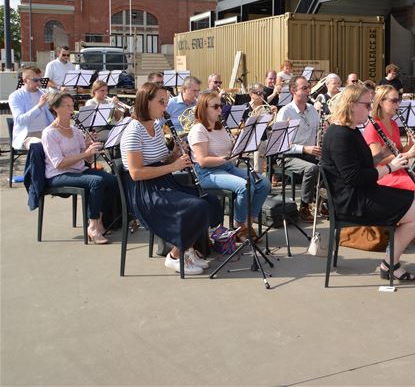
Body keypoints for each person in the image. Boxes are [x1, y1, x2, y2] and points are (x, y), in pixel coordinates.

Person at [320, 84, 415, 281]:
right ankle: (389, 263)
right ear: (352, 105)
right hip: (353, 201)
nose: (370, 109)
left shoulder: (350, 131)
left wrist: (384, 156)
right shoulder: (339, 136)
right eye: (367, 105)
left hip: (364, 191)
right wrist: (391, 167)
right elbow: (354, 178)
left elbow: (364, 164)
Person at [120, 82, 223, 275]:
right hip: (145, 191)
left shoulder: (156, 127)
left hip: (163, 182)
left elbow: (160, 160)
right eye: (161, 102)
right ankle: (175, 255)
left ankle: (188, 248)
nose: (165, 106)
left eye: (166, 101)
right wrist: (173, 166)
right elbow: (136, 173)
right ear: (145, 102)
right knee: (196, 206)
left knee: (208, 200)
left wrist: (175, 154)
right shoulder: (133, 131)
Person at [189, 91, 269, 241]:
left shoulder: (220, 126)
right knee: (245, 186)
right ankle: (239, 225)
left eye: (221, 106)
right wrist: (225, 158)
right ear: (204, 109)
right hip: (207, 172)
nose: (221, 109)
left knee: (264, 183)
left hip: (227, 167)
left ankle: (248, 222)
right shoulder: (198, 129)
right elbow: (202, 160)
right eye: (216, 106)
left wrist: (245, 144)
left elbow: (232, 150)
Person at [41, 92, 119, 245]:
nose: (71, 109)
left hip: (78, 170)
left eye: (72, 105)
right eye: (66, 106)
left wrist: (89, 146)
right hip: (58, 174)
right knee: (96, 182)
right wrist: (85, 153)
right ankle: (93, 225)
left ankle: (102, 219)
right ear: (55, 108)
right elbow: (59, 163)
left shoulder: (75, 130)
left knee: (112, 180)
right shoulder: (49, 133)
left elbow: (88, 160)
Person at [275, 76, 321, 222]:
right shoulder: (285, 112)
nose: (309, 91)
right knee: (311, 169)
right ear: (293, 90)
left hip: (308, 153)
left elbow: (317, 134)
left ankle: (323, 202)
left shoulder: (313, 110)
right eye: (304, 88)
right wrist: (304, 149)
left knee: (332, 165)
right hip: (287, 156)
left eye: (309, 87)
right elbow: (280, 144)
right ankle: (304, 206)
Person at [9, 65, 54, 150]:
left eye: (40, 80)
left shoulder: (42, 93)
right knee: (39, 146)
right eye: (35, 80)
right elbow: (20, 120)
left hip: (45, 132)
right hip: (26, 135)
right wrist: (39, 106)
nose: (39, 83)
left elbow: (51, 117)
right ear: (25, 80)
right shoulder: (15, 96)